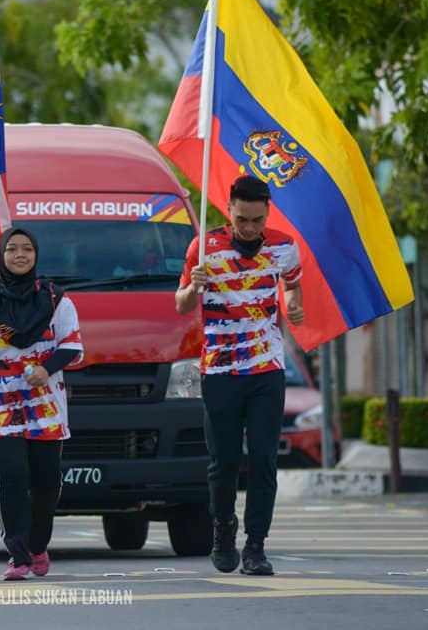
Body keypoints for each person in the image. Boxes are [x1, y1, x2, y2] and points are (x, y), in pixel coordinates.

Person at [175, 175, 304, 577]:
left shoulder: (284, 246)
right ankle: (222, 529)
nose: (249, 227)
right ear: (228, 210)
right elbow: (180, 306)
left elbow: (294, 288)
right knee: (224, 462)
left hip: (267, 369)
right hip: (220, 370)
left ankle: (256, 546)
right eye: (242, 219)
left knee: (263, 459)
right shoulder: (203, 247)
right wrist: (193, 289)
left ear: (267, 213)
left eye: (257, 219)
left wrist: (294, 306)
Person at [0, 228, 83, 581]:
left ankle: (38, 545)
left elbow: (71, 346)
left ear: (36, 255)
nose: (19, 255)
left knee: (47, 481)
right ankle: (18, 554)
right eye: (11, 249)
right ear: (1, 256)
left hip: (46, 404)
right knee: (13, 475)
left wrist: (46, 369)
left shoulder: (56, 299)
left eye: (26, 249)